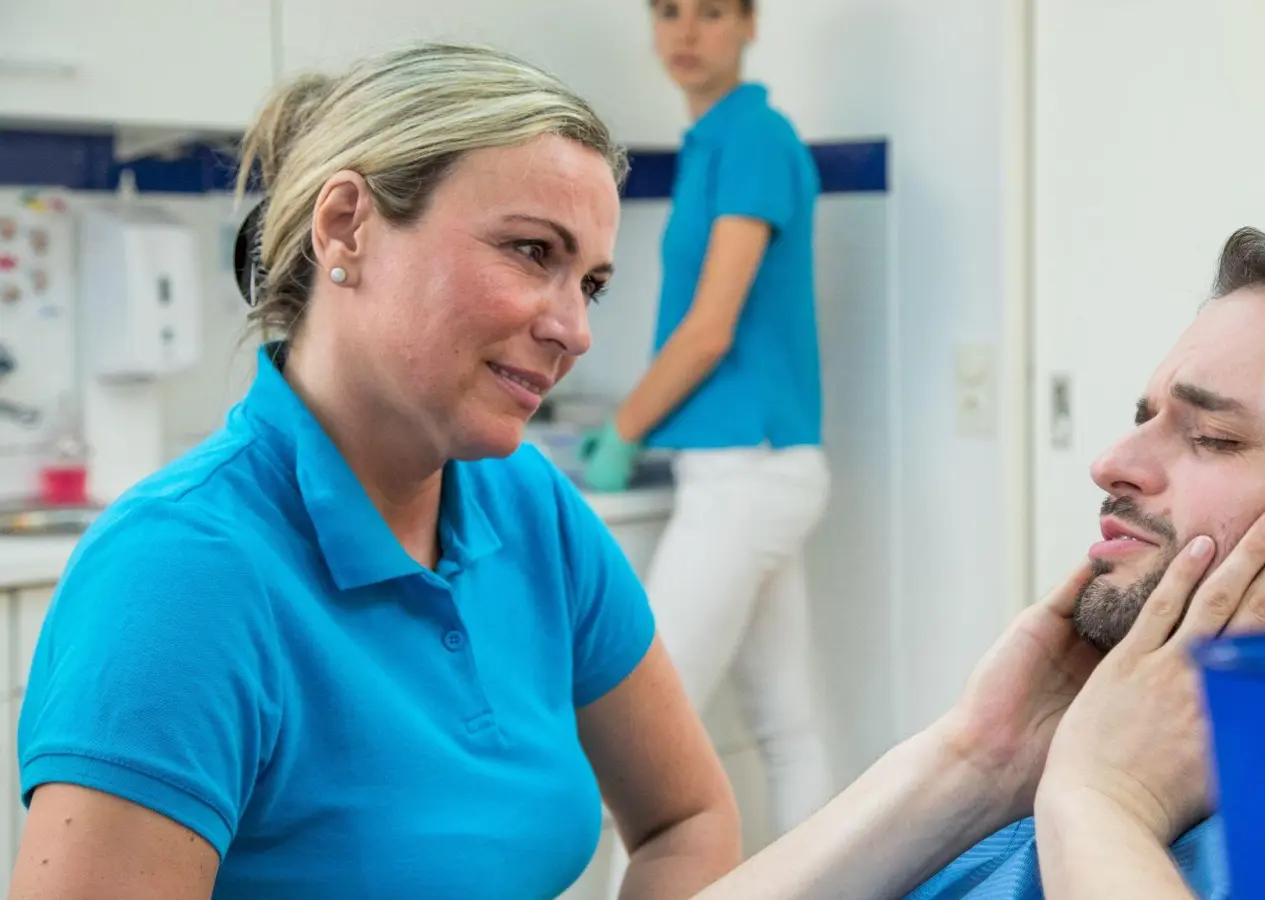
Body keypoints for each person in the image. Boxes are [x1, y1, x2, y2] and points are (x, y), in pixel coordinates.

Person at [11, 43, 741, 900]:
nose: (574, 328)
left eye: (593, 284)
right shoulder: (180, 575)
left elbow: (686, 819)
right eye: (534, 252)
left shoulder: (531, 508)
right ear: (345, 225)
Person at [688, 228, 1265, 899]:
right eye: (1144, 415)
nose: (1113, 464)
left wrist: (1107, 803)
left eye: (1211, 436)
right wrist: (975, 759)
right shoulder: (993, 812)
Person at [586, 0, 833, 875]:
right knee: (785, 724)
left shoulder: (754, 137)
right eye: (668, 12)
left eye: (711, 12)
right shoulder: (711, 143)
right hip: (748, 467)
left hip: (748, 469)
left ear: (750, 24)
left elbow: (710, 328)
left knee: (638, 740)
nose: (686, 32)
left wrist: (622, 427)